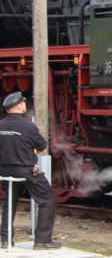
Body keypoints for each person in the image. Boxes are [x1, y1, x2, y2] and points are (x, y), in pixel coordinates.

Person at [0, 92, 60, 249]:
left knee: (9, 201)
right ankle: (42, 241)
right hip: (25, 170)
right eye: (23, 102)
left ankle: (6, 240)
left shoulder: (1, 125)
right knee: (47, 199)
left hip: (4, 171)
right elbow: (42, 146)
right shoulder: (28, 126)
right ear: (19, 106)